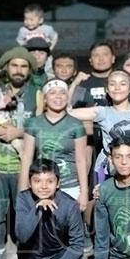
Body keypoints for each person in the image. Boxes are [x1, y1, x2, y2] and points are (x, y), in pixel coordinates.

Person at [0, 47, 39, 259]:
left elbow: (42, 126)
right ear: (6, 68)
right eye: (14, 65)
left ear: (29, 70)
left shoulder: (37, 94)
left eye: (24, 66)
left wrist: (18, 133)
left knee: (24, 210)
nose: (19, 70)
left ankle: (26, 252)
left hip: (23, 166)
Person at [68, 70, 130, 184]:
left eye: (122, 84)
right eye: (112, 84)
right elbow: (67, 112)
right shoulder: (103, 112)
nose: (117, 88)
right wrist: (75, 83)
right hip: (109, 170)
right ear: (107, 90)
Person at [18, 79, 89, 210]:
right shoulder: (33, 123)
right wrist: (23, 191)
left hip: (70, 186)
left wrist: (84, 192)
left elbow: (81, 159)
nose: (58, 96)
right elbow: (27, 158)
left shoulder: (76, 124)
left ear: (67, 97)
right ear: (45, 98)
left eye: (62, 93)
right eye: (52, 93)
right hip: (41, 186)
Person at [16, 3, 58, 76]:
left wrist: (50, 48)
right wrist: (25, 49)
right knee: (29, 70)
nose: (28, 22)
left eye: (31, 20)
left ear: (40, 20)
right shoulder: (23, 30)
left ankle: (50, 79)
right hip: (31, 55)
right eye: (26, 19)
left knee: (49, 69)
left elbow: (55, 37)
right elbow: (20, 40)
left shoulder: (47, 29)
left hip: (45, 54)